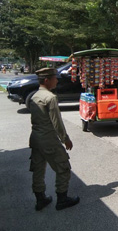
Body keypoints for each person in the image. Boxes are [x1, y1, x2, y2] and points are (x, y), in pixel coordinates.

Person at [29, 68, 80, 211]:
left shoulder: (35, 96)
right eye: (54, 78)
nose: (57, 80)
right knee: (63, 168)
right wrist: (66, 139)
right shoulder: (50, 98)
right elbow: (57, 122)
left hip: (35, 138)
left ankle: (40, 199)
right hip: (48, 139)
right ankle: (62, 199)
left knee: (38, 169)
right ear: (47, 80)